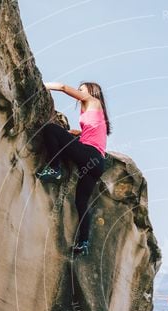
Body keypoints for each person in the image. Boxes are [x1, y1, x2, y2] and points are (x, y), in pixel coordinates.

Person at [35, 81, 111, 256]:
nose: (79, 92)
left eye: (81, 89)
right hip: (96, 163)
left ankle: (55, 169)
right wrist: (77, 133)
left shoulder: (93, 101)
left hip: (89, 155)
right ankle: (83, 243)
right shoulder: (96, 112)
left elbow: (63, 87)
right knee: (81, 202)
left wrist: (42, 85)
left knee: (51, 130)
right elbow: (92, 134)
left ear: (92, 91)